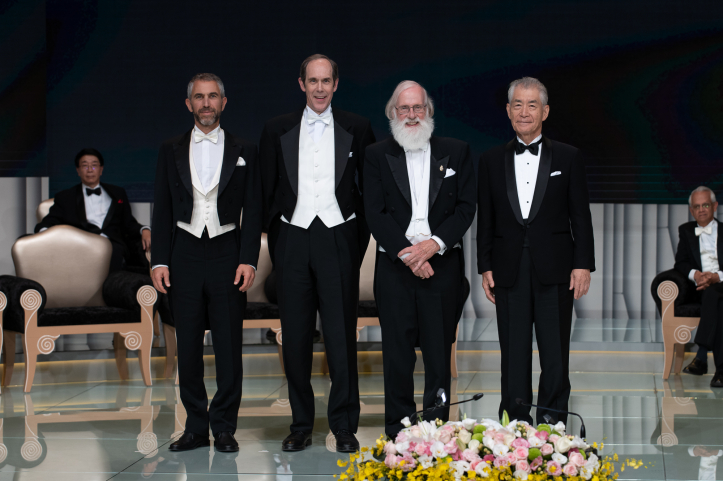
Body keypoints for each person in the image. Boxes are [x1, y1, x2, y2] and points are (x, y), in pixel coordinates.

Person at [259, 54, 375, 452]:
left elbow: (370, 189)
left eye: (326, 80)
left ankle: (344, 425)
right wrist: (279, 236)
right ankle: (300, 424)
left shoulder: (357, 127)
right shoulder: (277, 128)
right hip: (292, 237)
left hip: (338, 236)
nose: (320, 88)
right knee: (295, 338)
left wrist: (354, 236)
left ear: (336, 84)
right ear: (301, 84)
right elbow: (265, 190)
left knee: (341, 336)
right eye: (313, 81)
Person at [151, 73, 262, 452]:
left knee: (229, 345)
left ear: (224, 102)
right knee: (189, 346)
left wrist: (249, 259)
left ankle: (225, 427)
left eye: (212, 96)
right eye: (199, 97)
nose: (206, 103)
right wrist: (158, 261)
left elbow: (255, 210)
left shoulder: (245, 148)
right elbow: (162, 208)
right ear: (189, 104)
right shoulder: (170, 148)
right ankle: (196, 427)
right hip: (183, 253)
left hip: (228, 253)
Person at [477, 77, 595, 424]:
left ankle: (553, 425)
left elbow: (580, 216)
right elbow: (487, 218)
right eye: (517, 104)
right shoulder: (490, 159)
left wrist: (583, 264)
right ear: (509, 111)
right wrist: (485, 265)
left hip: (556, 268)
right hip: (508, 267)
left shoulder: (569, 157)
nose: (524, 111)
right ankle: (514, 425)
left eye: (532, 105)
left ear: (544, 111)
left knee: (555, 352)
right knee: (513, 353)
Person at [364, 81, 475, 438]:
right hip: (396, 265)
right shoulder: (376, 155)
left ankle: (437, 433)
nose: (412, 115)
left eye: (418, 108)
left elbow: (465, 207)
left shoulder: (456, 151)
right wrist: (412, 253)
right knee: (396, 356)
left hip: (442, 265)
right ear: (392, 114)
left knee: (439, 355)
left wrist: (435, 244)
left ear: (429, 111)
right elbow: (375, 212)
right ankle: (398, 435)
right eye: (404, 109)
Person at [35, 148, 151, 272]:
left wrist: (144, 229)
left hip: (113, 245)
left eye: (94, 165)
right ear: (78, 170)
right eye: (85, 166)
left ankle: (115, 288)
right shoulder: (65, 197)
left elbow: (128, 222)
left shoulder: (118, 194)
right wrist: (45, 238)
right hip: (81, 245)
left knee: (116, 253)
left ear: (101, 170)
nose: (90, 170)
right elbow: (49, 222)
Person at [675, 186, 723, 387]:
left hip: (721, 283)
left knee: (714, 294)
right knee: (716, 301)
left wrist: (716, 277)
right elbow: (681, 263)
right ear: (691, 210)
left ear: (714, 206)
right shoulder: (686, 231)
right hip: (699, 288)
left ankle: (701, 356)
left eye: (705, 205)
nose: (701, 209)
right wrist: (696, 275)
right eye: (697, 206)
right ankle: (720, 372)